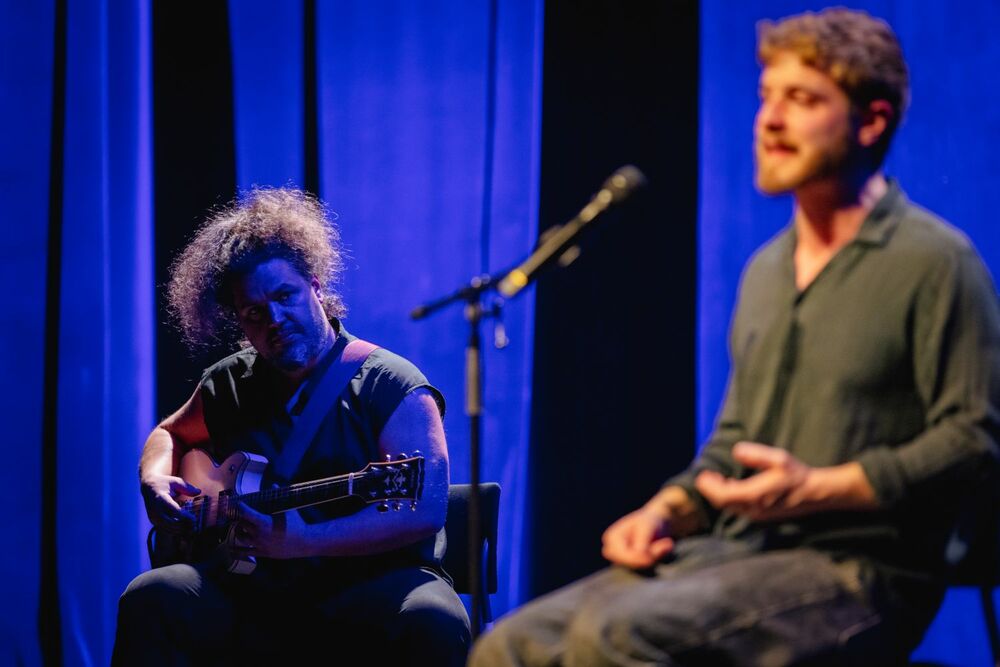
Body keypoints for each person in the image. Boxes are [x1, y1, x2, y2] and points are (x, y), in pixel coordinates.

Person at [470, 8, 1000, 666]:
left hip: (858, 571)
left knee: (618, 636)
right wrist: (666, 509)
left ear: (872, 120)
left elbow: (973, 441)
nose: (769, 120)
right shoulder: (767, 271)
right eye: (765, 97)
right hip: (733, 552)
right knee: (509, 645)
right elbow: (732, 446)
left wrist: (820, 486)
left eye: (801, 99)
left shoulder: (935, 261)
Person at [112, 188, 470, 665]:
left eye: (285, 296)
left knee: (434, 619)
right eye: (254, 313)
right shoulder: (228, 381)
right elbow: (170, 434)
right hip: (254, 591)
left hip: (368, 586)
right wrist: (154, 478)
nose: (274, 319)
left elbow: (424, 510)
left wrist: (305, 542)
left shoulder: (390, 382)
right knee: (152, 596)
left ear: (316, 286)